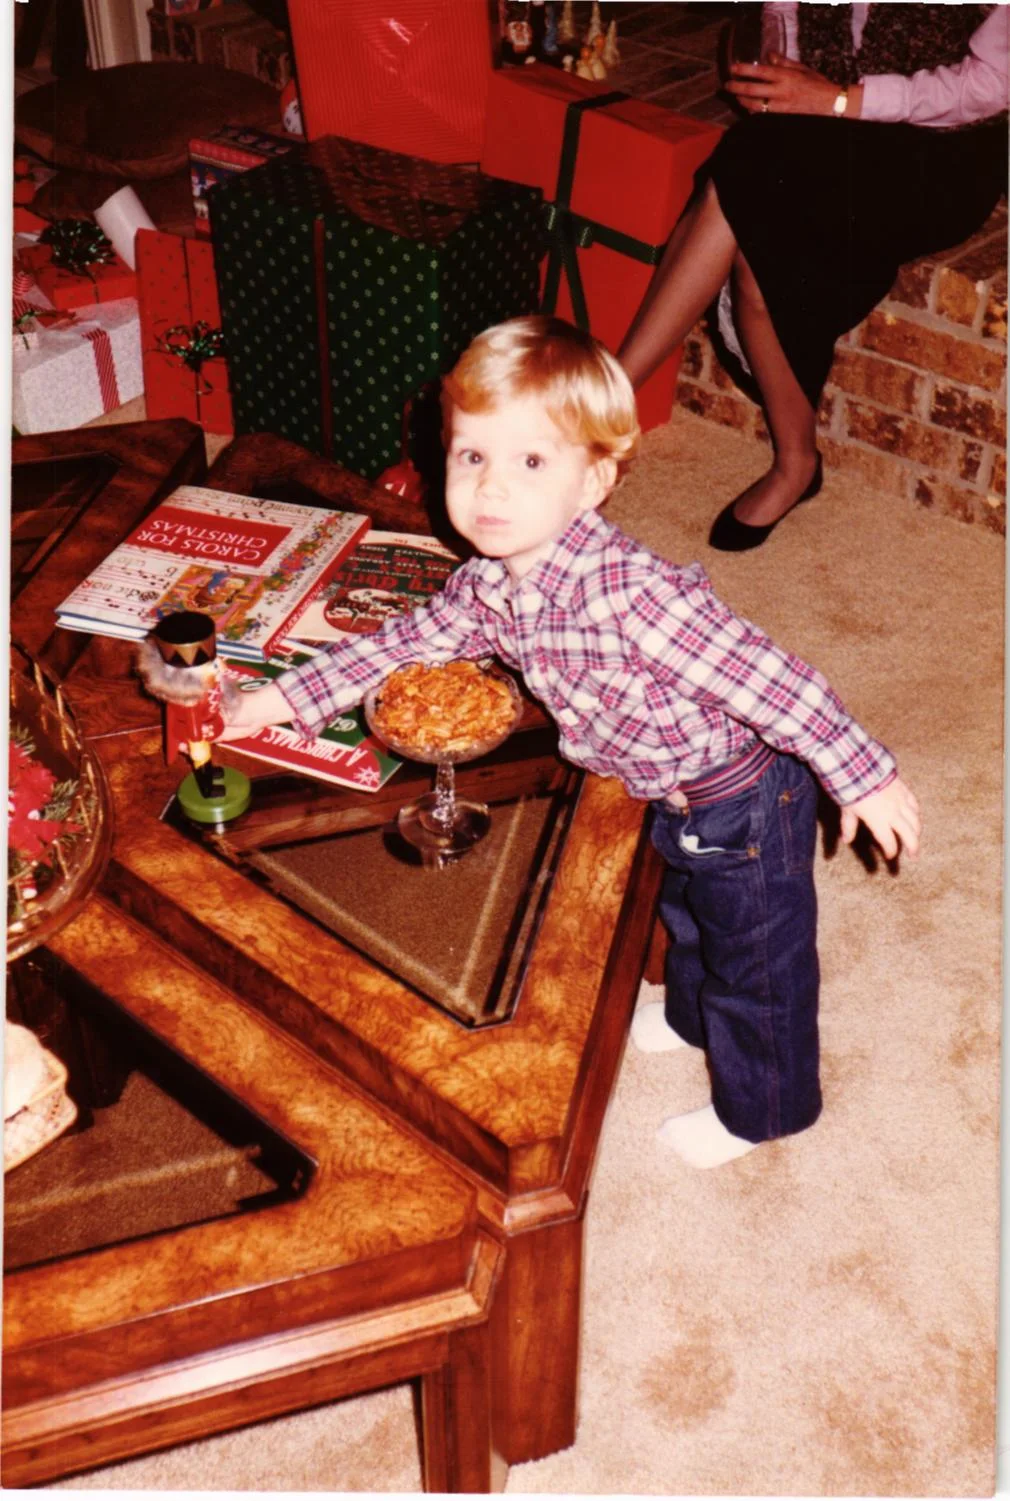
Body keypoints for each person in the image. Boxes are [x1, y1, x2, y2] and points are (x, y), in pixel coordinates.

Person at [219, 315, 922, 1169]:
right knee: (685, 918)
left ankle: (764, 1110)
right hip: (667, 791)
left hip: (744, 796)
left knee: (756, 960)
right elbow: (402, 643)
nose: (491, 487)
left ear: (592, 484)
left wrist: (862, 775)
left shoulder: (633, 596)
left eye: (530, 462)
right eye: (471, 455)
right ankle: (689, 1015)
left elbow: (774, 680)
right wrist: (277, 699)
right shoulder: (488, 584)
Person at [618, 2, 1009, 552]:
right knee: (754, 187)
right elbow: (782, 12)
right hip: (834, 121)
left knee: (746, 173)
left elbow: (992, 84)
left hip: (945, 148)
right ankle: (789, 460)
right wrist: (783, 77)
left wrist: (840, 100)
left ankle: (606, 403)